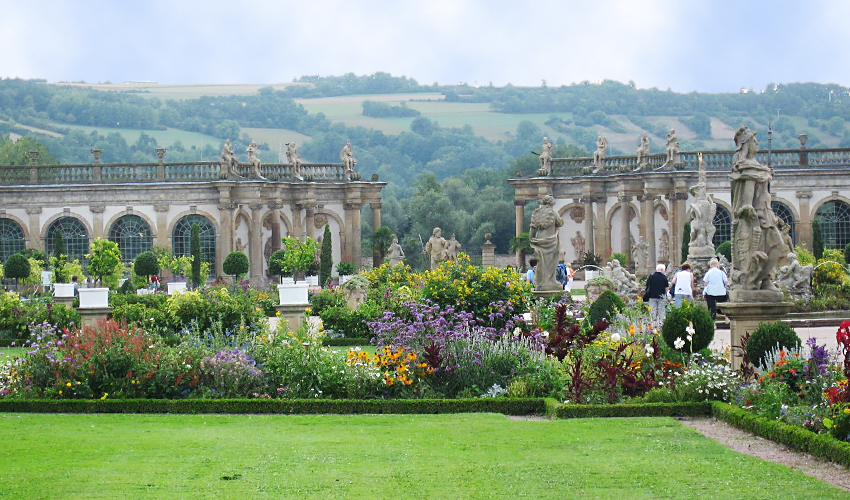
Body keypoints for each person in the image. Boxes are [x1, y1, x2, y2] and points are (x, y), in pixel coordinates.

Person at [529, 195, 564, 292]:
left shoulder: (537, 213)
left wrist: (531, 238)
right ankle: (550, 281)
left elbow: (532, 228)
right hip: (551, 240)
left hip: (540, 239)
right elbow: (560, 223)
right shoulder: (553, 213)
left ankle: (541, 282)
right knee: (551, 262)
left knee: (541, 262)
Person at [645, 264, 670, 329]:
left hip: (652, 296)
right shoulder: (664, 277)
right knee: (661, 311)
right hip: (661, 297)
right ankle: (661, 325)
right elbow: (666, 288)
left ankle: (653, 325)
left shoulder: (651, 277)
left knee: (653, 311)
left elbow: (647, 286)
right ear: (662, 270)